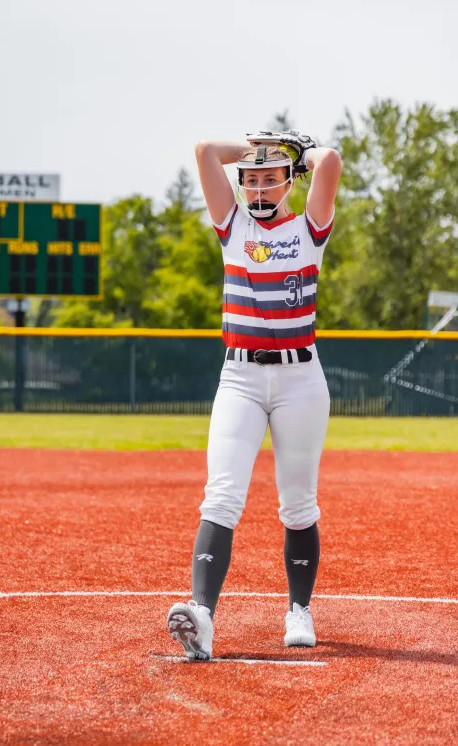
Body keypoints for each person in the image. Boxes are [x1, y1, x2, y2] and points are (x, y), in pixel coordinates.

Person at [167, 130, 342, 660]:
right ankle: (201, 615)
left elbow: (329, 160)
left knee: (298, 504)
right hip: (238, 378)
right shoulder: (233, 226)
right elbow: (204, 153)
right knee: (220, 495)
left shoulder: (310, 231)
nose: (260, 189)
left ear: (289, 183)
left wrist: (295, 150)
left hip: (300, 380)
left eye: (271, 180)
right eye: (252, 180)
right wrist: (256, 147)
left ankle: (299, 609)